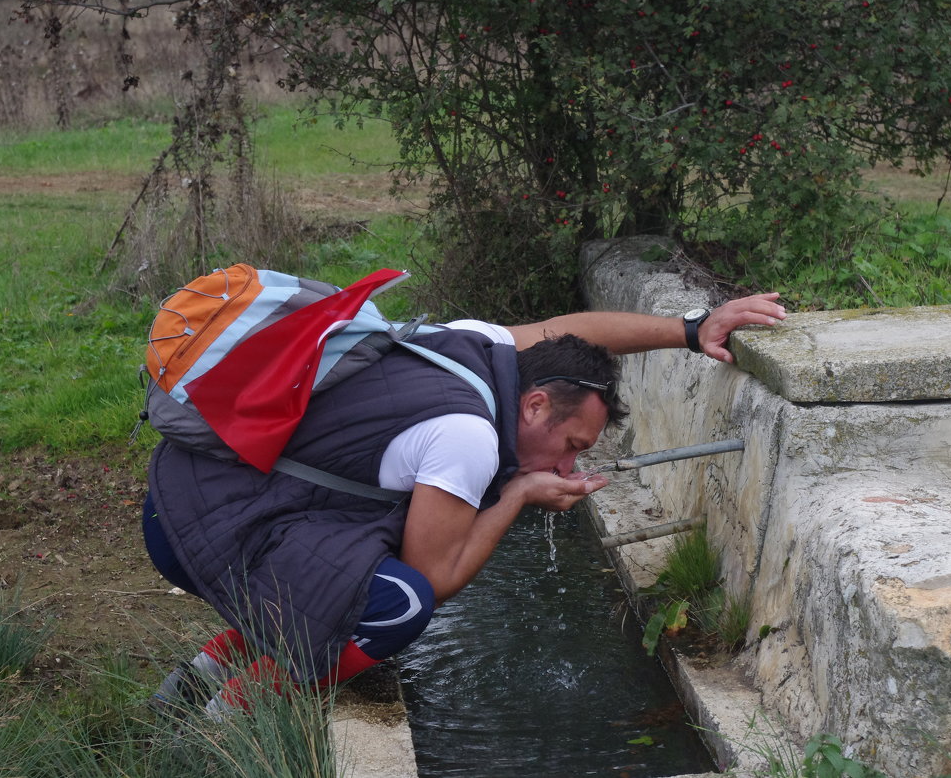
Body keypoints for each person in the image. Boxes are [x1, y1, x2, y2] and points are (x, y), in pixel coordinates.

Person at [143, 293, 787, 717]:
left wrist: (692, 329)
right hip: (205, 527)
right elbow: (438, 577)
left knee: (374, 554)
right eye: (570, 446)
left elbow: (576, 334)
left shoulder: (477, 346)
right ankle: (232, 714)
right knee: (400, 601)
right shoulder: (469, 437)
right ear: (535, 405)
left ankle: (199, 673)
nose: (569, 465)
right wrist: (518, 494)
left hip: (194, 488)